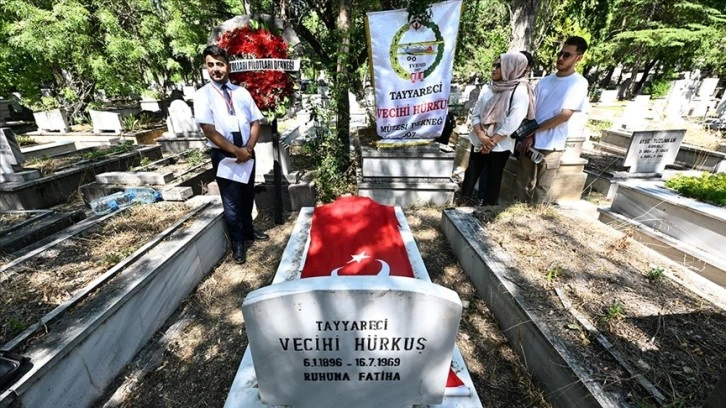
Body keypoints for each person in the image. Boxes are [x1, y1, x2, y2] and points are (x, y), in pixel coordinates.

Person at [194, 45, 269, 264]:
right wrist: (237, 151)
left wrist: (248, 149)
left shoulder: (241, 92)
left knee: (247, 194)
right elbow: (209, 130)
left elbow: (255, 122)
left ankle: (248, 230)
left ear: (228, 66)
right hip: (225, 156)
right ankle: (238, 242)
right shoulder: (203, 95)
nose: (215, 69)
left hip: (247, 152)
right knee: (232, 201)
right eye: (211, 65)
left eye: (220, 64)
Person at [516, 36, 589, 205]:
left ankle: (536, 216)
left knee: (542, 188)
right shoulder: (545, 81)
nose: (561, 58)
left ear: (578, 58)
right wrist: (527, 135)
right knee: (522, 183)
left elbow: (564, 116)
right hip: (530, 141)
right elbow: (531, 110)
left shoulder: (578, 83)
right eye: (560, 53)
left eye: (567, 55)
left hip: (552, 144)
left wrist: (533, 132)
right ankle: (517, 213)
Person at [459, 51, 535, 206]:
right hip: (479, 139)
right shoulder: (489, 87)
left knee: (493, 179)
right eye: (494, 65)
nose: (494, 69)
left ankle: (486, 211)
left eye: (499, 66)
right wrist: (482, 135)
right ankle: (461, 205)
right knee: (471, 173)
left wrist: (492, 142)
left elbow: (514, 120)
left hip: (500, 145)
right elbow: (476, 113)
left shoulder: (519, 90)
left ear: (510, 67)